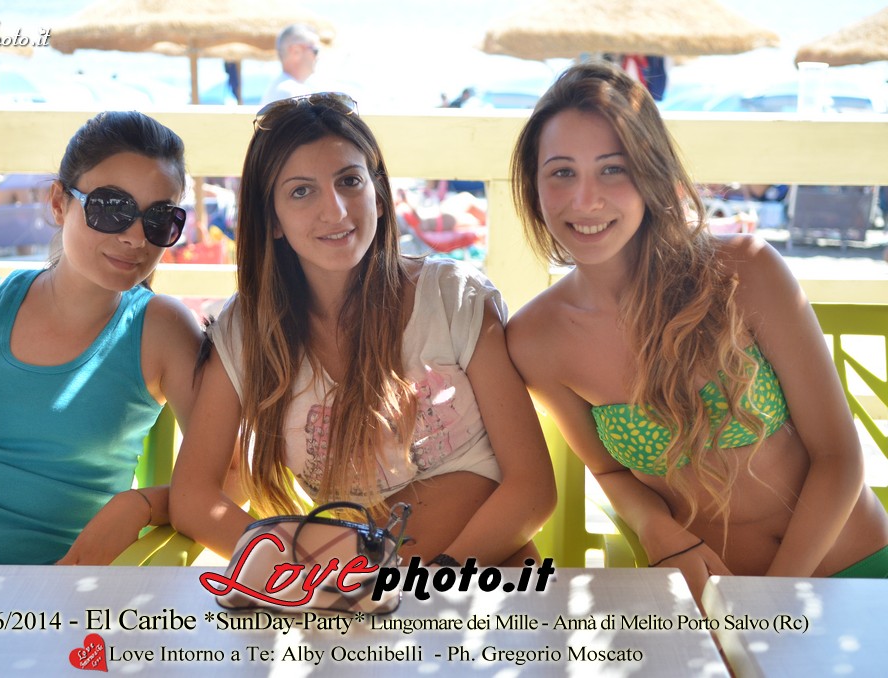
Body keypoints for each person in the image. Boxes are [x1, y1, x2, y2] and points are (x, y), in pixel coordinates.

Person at [505, 62, 888, 601]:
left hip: (853, 575)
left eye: (613, 169)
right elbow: (610, 472)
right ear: (534, 186)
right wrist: (655, 528)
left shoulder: (746, 271)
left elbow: (839, 458)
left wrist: (772, 600)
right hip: (710, 598)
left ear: (651, 174)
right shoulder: (535, 340)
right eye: (562, 172)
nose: (586, 199)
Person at [170, 93, 555, 566]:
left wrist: (434, 578)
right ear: (272, 219)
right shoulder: (247, 334)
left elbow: (534, 489)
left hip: (482, 579)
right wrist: (294, 570)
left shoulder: (453, 298)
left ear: (379, 193)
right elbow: (193, 498)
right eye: (301, 191)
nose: (335, 210)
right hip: (358, 594)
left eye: (349, 181)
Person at [0, 111, 204, 575]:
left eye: (159, 219)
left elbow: (230, 476)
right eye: (111, 207)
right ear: (59, 203)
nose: (134, 237)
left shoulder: (163, 329)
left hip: (42, 597)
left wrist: (142, 505)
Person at [260, 24, 322, 106]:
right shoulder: (292, 93)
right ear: (296, 51)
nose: (318, 57)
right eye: (316, 51)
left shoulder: (281, 88)